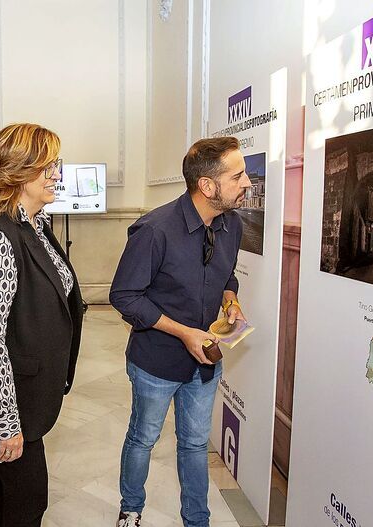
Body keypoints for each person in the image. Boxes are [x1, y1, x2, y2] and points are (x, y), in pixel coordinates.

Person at [109, 136, 252, 527]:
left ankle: (197, 520)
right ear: (208, 186)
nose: (248, 183)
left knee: (193, 444)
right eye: (237, 175)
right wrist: (184, 332)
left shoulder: (232, 225)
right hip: (156, 361)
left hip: (205, 363)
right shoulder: (154, 230)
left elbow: (226, 275)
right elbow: (124, 296)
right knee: (143, 438)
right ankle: (131, 509)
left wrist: (230, 301)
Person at [0, 123, 84, 526]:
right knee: (28, 501)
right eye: (48, 167)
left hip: (30, 391)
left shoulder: (35, 224)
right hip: (10, 402)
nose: (56, 175)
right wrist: (7, 423)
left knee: (4, 492)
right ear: (18, 172)